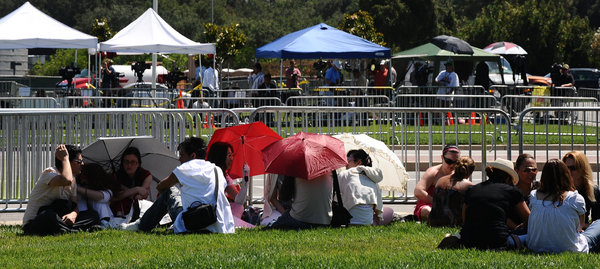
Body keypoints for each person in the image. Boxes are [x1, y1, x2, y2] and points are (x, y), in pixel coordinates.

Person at [123, 137, 235, 234]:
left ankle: (141, 225)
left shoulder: (185, 168)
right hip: (219, 224)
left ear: (193, 155)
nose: (179, 159)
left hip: (193, 223)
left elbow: (161, 186)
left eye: (182, 155)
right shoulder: (216, 170)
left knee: (170, 190)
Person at [440, 159, 530, 250]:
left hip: (468, 240)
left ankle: (455, 238)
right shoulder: (512, 191)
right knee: (530, 236)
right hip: (498, 242)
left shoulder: (473, 189)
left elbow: (465, 219)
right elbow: (530, 218)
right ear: (508, 179)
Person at [22, 145, 99, 235]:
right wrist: (65, 158)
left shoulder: (72, 180)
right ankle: (75, 230)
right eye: (79, 161)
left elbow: (75, 206)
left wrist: (72, 215)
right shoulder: (49, 174)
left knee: (93, 215)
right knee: (48, 215)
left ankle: (66, 229)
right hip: (36, 222)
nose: (82, 164)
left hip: (59, 220)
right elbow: (66, 181)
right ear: (68, 162)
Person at [526, 159, 600, 253]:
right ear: (566, 175)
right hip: (571, 248)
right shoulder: (575, 198)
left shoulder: (533, 196)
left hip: (536, 246)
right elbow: (579, 227)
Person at [337, 149, 394, 226]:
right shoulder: (373, 178)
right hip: (368, 222)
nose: (345, 163)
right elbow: (378, 206)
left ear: (359, 162)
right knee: (390, 211)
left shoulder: (344, 174)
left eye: (348, 159)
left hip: (345, 220)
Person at [206, 142, 254, 228]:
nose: (232, 159)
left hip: (222, 213)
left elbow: (239, 200)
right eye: (228, 156)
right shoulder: (208, 173)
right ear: (219, 157)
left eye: (232, 155)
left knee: (238, 206)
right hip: (210, 213)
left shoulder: (225, 176)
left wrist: (245, 180)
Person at [413, 145, 460, 222]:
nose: (452, 165)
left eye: (456, 162)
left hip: (450, 206)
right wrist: (437, 202)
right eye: (449, 161)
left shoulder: (459, 172)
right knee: (427, 211)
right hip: (430, 205)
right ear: (442, 158)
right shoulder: (433, 172)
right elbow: (418, 191)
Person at [269, 173, 333, 230]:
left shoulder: (295, 167)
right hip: (325, 220)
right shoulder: (329, 170)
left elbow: (285, 197)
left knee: (272, 224)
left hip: (300, 219)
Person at [428, 156, 475, 227]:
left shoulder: (440, 180)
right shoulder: (469, 186)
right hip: (455, 223)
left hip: (435, 222)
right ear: (470, 172)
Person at [110, 147, 152, 222]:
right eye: (126, 162)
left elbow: (142, 194)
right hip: (119, 211)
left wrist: (126, 191)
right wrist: (136, 189)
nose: (129, 166)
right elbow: (114, 197)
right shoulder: (116, 176)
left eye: (133, 162)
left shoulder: (146, 175)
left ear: (138, 163)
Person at [76, 163, 122, 228]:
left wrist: (78, 189)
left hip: (107, 218)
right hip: (87, 217)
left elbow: (101, 197)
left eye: (85, 178)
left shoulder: (106, 190)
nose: (82, 180)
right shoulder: (80, 187)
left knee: (99, 202)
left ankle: (105, 223)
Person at [562, 151, 600, 228]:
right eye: (566, 168)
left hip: (583, 232)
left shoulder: (593, 190)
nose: (568, 172)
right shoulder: (559, 188)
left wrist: (583, 226)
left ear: (582, 169)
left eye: (573, 168)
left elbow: (597, 221)